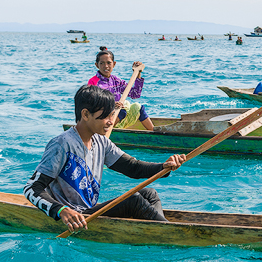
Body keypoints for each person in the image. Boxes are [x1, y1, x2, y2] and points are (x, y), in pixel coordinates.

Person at [24, 85, 187, 232]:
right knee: (134, 201)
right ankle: (170, 232)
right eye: (105, 117)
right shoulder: (62, 144)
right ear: (86, 114)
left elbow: (133, 167)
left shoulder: (101, 142)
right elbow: (32, 188)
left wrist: (164, 167)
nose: (111, 122)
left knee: (150, 194)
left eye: (112, 115)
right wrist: (61, 211)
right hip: (76, 216)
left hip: (89, 210)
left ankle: (161, 229)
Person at [87, 47, 156, 131]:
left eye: (109, 63)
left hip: (118, 117)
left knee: (138, 108)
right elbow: (91, 103)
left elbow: (135, 94)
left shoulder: (116, 81)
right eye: (102, 63)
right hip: (102, 120)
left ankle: (154, 132)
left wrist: (138, 73)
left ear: (114, 64)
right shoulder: (93, 82)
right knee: (121, 112)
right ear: (97, 65)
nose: (106, 66)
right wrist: (110, 104)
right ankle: (105, 130)